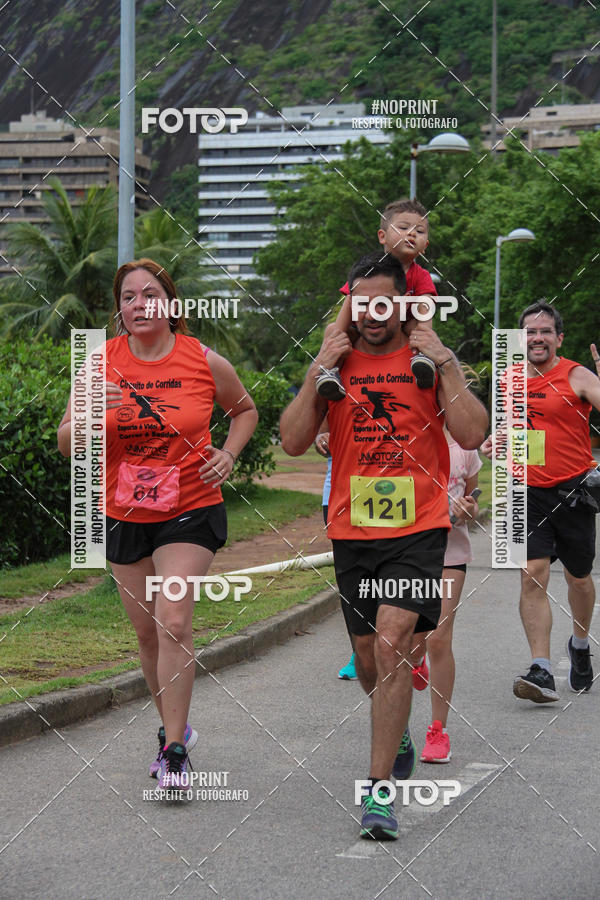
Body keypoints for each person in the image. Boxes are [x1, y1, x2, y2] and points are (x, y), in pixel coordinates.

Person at [280, 252, 488, 840]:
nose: (373, 313)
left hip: (420, 528)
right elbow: (293, 441)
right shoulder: (335, 366)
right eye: (362, 301)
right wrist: (316, 367)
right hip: (353, 531)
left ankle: (378, 796)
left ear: (402, 303)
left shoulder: (426, 361)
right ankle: (393, 729)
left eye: (384, 301)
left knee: (396, 645)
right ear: (351, 305)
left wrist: (445, 360)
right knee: (369, 659)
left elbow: (473, 432)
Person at [58, 258, 258, 788]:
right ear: (119, 309)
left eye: (150, 293)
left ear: (171, 304)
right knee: (148, 635)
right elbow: (65, 443)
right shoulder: (100, 362)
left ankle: (172, 753)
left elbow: (244, 410)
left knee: (173, 620)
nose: (139, 303)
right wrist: (87, 419)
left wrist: (231, 454)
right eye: (128, 296)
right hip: (125, 513)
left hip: (191, 508)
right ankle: (176, 725)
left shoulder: (202, 359)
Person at [481, 301, 599, 703]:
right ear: (521, 339)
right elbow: (513, 430)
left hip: (573, 492)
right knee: (532, 572)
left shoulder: (576, 374)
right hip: (525, 492)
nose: (537, 338)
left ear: (558, 338)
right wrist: (496, 441)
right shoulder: (509, 379)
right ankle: (541, 669)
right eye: (530, 332)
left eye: (545, 331)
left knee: (579, 578)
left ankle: (580, 645)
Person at [316, 198, 438, 400]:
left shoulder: (421, 275)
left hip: (402, 326)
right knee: (333, 331)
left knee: (420, 329)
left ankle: (422, 361)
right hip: (368, 324)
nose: (412, 234)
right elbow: (350, 303)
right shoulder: (369, 271)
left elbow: (426, 307)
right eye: (403, 227)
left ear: (425, 245)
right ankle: (330, 372)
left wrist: (424, 335)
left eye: (420, 231)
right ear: (382, 236)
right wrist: (337, 334)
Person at [413, 426, 481, 762]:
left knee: (439, 638)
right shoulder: (402, 438)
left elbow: (473, 502)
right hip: (406, 553)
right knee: (410, 636)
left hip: (450, 555)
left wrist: (468, 509)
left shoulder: (465, 447)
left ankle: (438, 731)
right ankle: (415, 660)